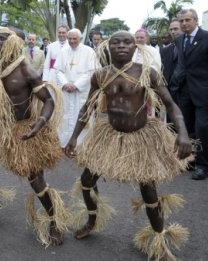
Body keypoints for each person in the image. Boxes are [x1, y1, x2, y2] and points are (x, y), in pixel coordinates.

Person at [65, 31, 193, 261]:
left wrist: (183, 134)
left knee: (148, 189)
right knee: (87, 181)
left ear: (135, 47)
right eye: (116, 43)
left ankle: (159, 238)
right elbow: (87, 108)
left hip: (140, 137)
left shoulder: (148, 73)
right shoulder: (101, 75)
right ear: (108, 47)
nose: (122, 46)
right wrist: (74, 137)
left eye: (127, 42)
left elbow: (171, 105)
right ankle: (92, 220)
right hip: (110, 135)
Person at [0, 27, 68, 246]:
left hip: (24, 130)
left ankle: (55, 221)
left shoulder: (26, 71)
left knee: (36, 181)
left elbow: (49, 101)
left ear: (15, 42)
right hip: (1, 129)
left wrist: (39, 124)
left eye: (2, 39)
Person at [173, 8, 208, 180]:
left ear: (196, 21)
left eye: (187, 20)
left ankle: (203, 166)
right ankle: (189, 160)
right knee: (187, 128)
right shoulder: (179, 40)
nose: (184, 23)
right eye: (182, 21)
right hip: (184, 92)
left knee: (203, 128)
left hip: (205, 93)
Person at [54, 28, 98, 148]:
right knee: (65, 114)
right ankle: (65, 141)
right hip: (66, 90)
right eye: (70, 38)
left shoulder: (89, 52)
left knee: (81, 114)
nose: (72, 41)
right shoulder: (64, 51)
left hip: (81, 91)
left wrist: (76, 85)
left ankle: (81, 143)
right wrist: (65, 83)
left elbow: (92, 71)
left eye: (75, 39)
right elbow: (58, 70)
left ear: (81, 39)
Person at [161, 18, 182, 105]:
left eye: (176, 29)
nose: (173, 32)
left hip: (188, 92)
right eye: (171, 29)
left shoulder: (192, 47)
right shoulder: (166, 50)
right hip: (170, 92)